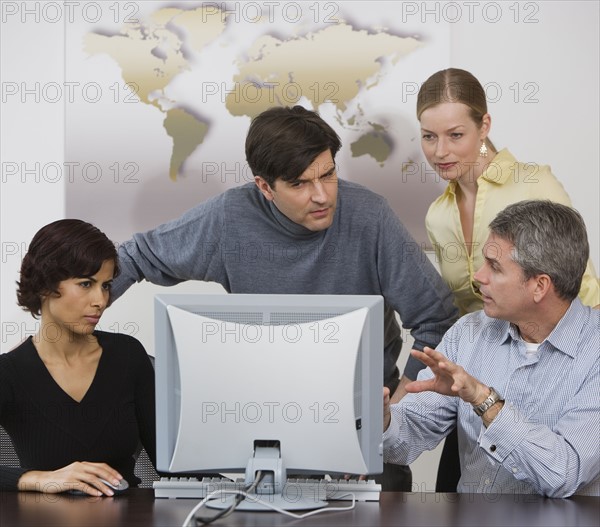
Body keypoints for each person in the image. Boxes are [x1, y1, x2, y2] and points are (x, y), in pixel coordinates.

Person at [111, 105, 459, 491]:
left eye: (328, 174)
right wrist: (57, 334)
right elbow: (133, 257)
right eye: (299, 184)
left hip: (364, 422)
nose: (322, 195)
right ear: (265, 188)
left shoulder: (370, 216)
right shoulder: (230, 218)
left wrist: (395, 408)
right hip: (270, 421)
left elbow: (437, 319)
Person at [416, 67, 600, 491]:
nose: (440, 150)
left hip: (555, 369)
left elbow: (576, 287)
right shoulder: (437, 215)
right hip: (479, 368)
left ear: (485, 126)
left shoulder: (534, 185)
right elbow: (465, 313)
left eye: (455, 135)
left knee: (551, 481)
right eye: (429, 136)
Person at [383, 200, 600, 497]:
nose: (478, 277)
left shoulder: (595, 353)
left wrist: (484, 400)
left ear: (540, 286)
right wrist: (384, 422)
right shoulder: (469, 333)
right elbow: (405, 439)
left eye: (494, 267)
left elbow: (564, 474)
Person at [0, 219, 156, 496]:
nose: (101, 300)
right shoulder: (9, 373)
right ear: (45, 285)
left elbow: (172, 463)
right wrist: (37, 479)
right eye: (86, 284)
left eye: (105, 285)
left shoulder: (129, 356)